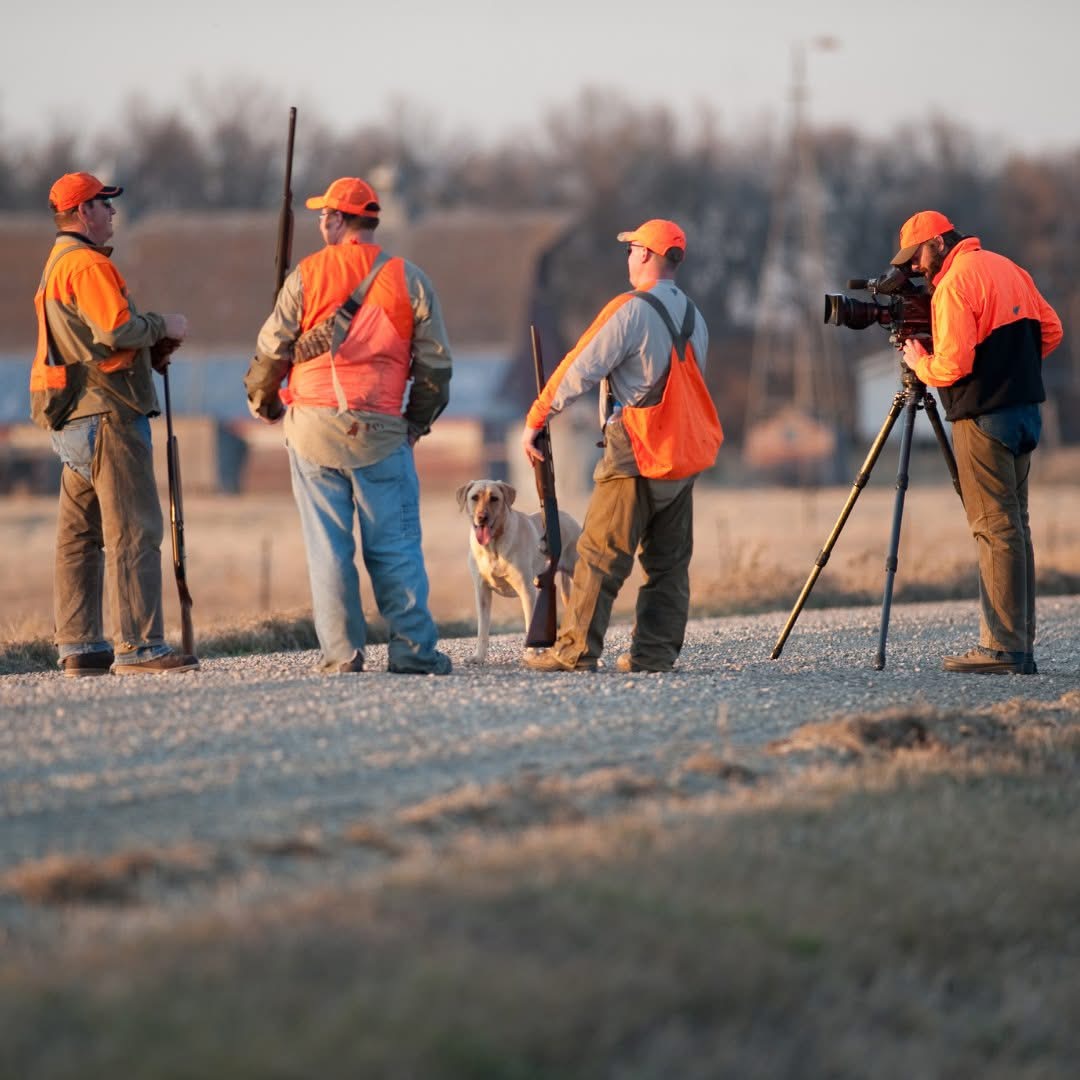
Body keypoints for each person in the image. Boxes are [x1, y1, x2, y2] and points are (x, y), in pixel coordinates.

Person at [244, 176, 453, 675]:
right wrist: (415, 422)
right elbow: (436, 366)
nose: (320, 223)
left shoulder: (306, 276)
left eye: (325, 216)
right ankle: (414, 653)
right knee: (395, 546)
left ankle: (342, 656)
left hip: (312, 430)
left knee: (329, 548)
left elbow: (272, 349)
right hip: (381, 430)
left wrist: (266, 404)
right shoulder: (410, 278)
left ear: (340, 220)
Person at [521, 218, 716, 673]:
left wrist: (538, 417)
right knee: (668, 564)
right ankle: (654, 654)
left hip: (637, 449)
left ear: (647, 254)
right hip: (684, 454)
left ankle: (574, 652)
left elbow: (580, 367)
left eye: (631, 249)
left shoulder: (628, 309)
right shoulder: (696, 317)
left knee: (598, 555)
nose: (628, 256)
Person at [30, 172, 198, 677]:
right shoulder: (85, 264)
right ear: (83, 212)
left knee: (79, 537)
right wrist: (162, 326)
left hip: (72, 419)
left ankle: (80, 646)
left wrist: (145, 354)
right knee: (134, 528)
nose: (112, 212)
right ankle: (140, 647)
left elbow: (90, 343)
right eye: (105, 203)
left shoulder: (55, 266)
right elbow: (114, 329)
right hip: (109, 415)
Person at [896, 210, 1063, 674]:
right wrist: (1012, 368)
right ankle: (1019, 644)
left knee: (994, 529)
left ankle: (1003, 649)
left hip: (983, 418)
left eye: (916, 255)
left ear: (939, 243)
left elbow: (951, 366)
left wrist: (919, 360)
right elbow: (1052, 331)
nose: (913, 267)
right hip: (1026, 414)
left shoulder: (953, 285)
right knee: (1016, 527)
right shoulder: (1009, 268)